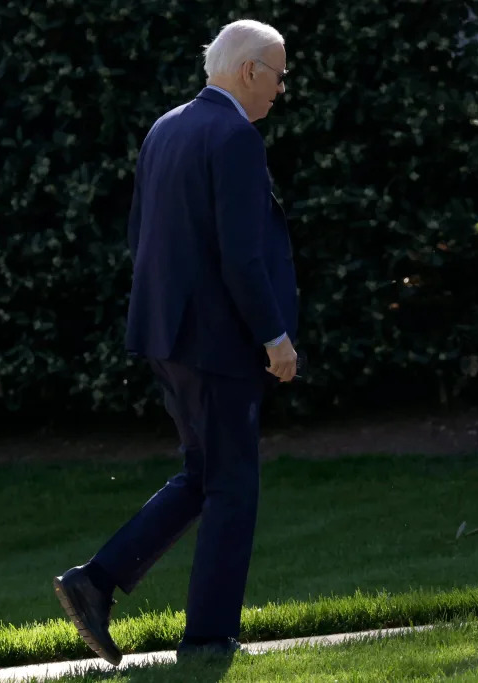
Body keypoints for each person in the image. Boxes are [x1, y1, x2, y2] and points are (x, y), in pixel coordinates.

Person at [52, 19, 299, 665]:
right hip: (219, 342)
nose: (280, 89)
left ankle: (96, 581)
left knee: (204, 474)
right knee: (232, 487)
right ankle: (209, 637)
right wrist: (275, 336)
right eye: (278, 74)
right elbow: (242, 257)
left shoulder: (167, 127)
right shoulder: (236, 137)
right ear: (250, 71)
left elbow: (144, 237)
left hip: (167, 334)